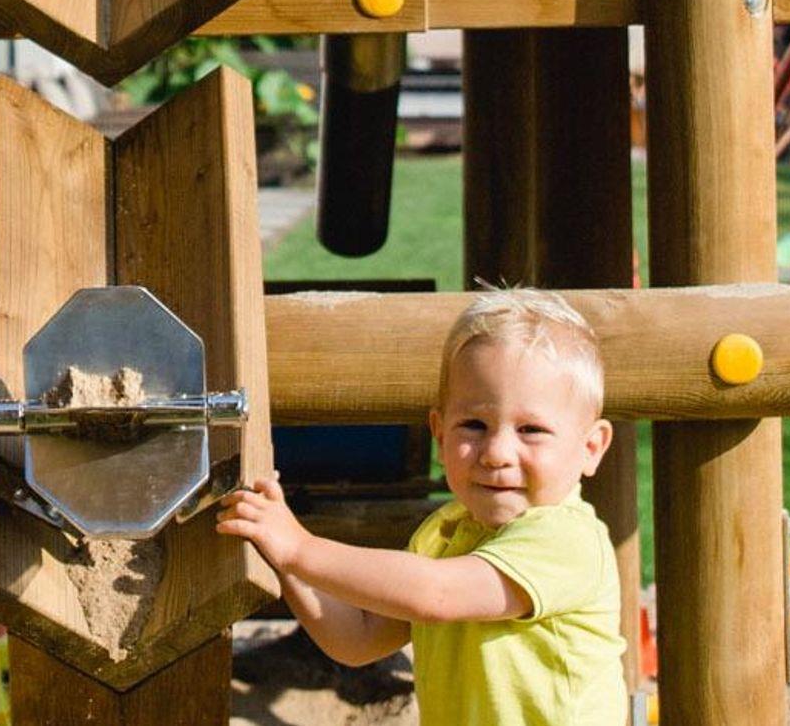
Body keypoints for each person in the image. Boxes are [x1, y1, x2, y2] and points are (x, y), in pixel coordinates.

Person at [217, 289, 627, 725]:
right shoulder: (445, 532)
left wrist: (300, 548)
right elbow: (358, 640)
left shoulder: (566, 540)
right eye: (474, 425)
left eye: (531, 430)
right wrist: (282, 555)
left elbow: (436, 594)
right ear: (439, 432)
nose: (496, 453)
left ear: (590, 447)